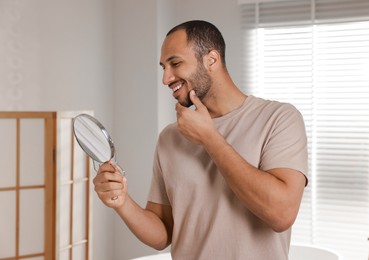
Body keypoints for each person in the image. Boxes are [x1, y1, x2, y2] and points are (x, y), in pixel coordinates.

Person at [93, 20, 308, 259]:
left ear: (211, 60)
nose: (166, 78)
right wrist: (122, 201)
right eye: (163, 67)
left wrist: (210, 137)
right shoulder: (170, 138)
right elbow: (163, 233)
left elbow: (281, 214)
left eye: (175, 63)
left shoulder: (279, 118)